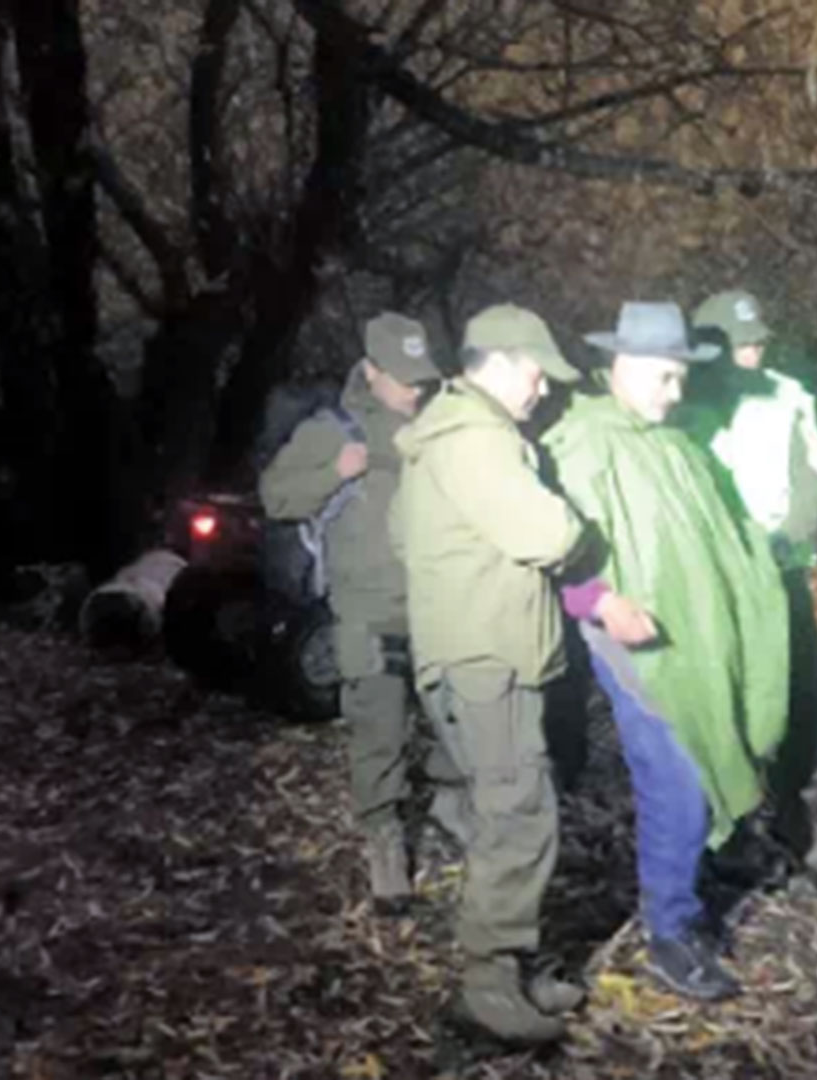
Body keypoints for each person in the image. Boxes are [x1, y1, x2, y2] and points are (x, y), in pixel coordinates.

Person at [390, 303, 652, 1044]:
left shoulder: (446, 436)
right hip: (486, 659)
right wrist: (583, 530)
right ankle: (487, 985)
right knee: (519, 817)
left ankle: (513, 962)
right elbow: (546, 531)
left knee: (511, 811)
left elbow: (402, 539)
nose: (543, 390)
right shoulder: (476, 440)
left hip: (477, 650)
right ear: (501, 363)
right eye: (538, 373)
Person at [543, 300, 792, 1002]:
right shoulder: (584, 441)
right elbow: (548, 548)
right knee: (676, 781)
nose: (675, 392)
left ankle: (705, 869)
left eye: (681, 378)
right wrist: (597, 603)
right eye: (662, 377)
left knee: (712, 751)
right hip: (640, 647)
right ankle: (671, 931)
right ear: (617, 366)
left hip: (700, 639)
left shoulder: (674, 441)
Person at [258, 311, 443, 912]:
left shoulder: (439, 425)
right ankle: (384, 839)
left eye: (423, 379)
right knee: (379, 732)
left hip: (439, 605)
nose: (416, 391)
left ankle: (450, 807)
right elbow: (275, 495)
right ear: (371, 371)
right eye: (405, 379)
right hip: (367, 609)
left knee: (455, 722)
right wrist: (332, 474)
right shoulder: (334, 430)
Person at [686, 289, 817, 879]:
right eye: (737, 344)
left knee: (804, 693)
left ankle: (797, 815)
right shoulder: (683, 402)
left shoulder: (788, 397)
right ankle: (727, 829)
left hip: (781, 568)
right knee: (724, 698)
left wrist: (790, 531)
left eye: (756, 342)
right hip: (716, 580)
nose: (750, 353)